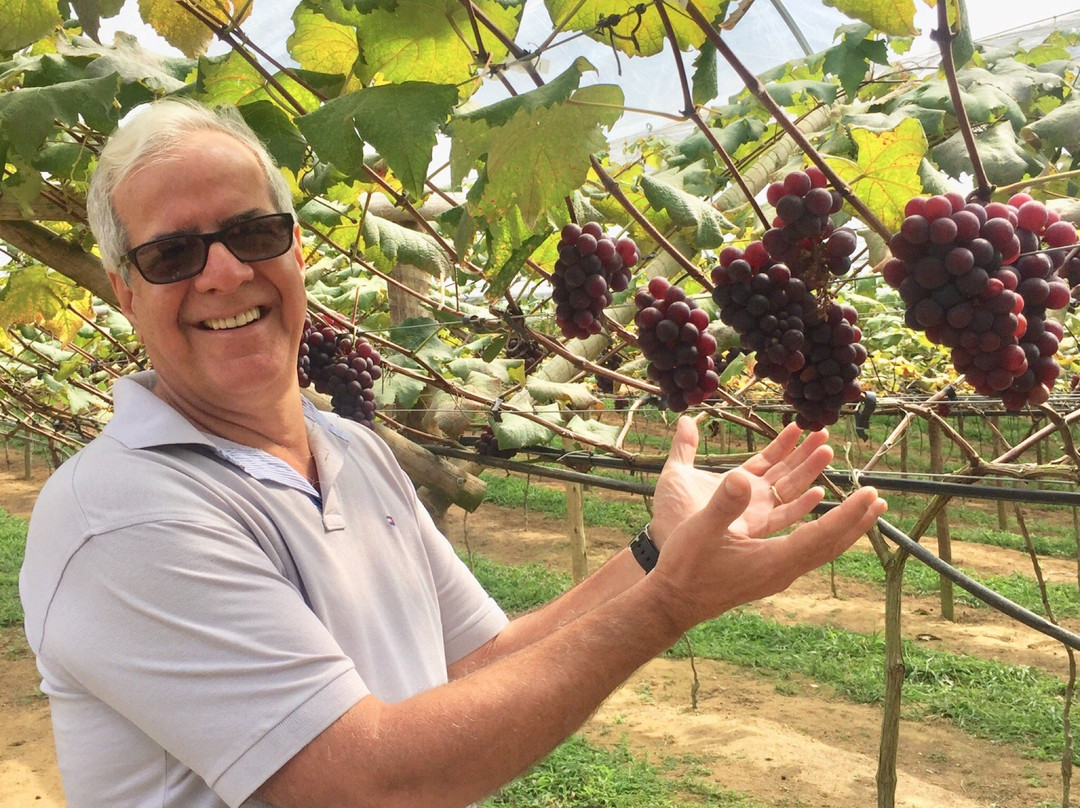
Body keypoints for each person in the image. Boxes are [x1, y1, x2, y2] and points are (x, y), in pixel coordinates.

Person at [19, 98, 887, 808]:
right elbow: (369, 782)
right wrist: (666, 607)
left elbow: (478, 662)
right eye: (173, 251)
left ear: (295, 250)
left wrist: (658, 556)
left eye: (252, 233)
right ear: (125, 292)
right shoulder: (120, 515)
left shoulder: (350, 446)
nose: (222, 273)